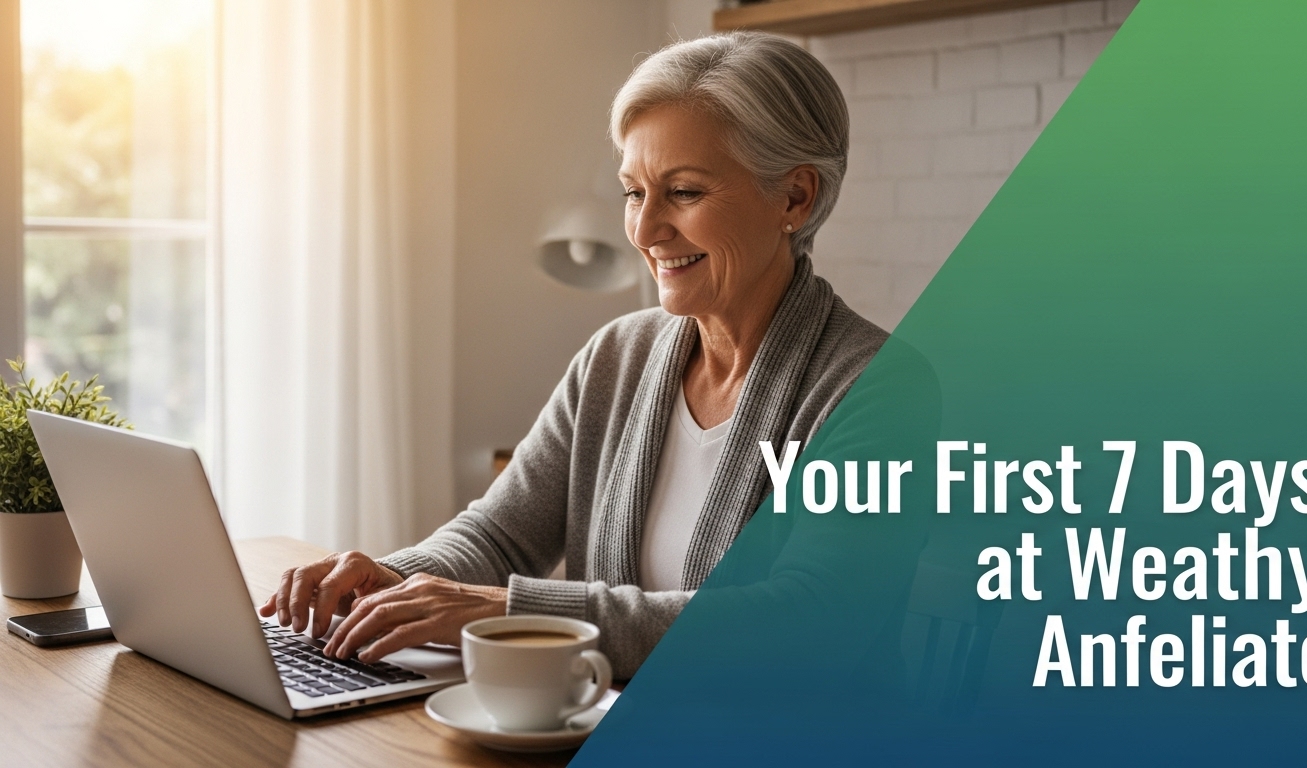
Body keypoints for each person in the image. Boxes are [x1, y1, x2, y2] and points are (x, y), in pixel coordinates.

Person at [261, 31, 891, 678]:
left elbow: (804, 623)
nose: (645, 232)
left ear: (796, 197)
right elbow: (501, 535)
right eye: (633, 192)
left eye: (684, 192)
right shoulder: (617, 356)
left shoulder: (875, 387)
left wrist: (513, 611)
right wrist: (389, 578)